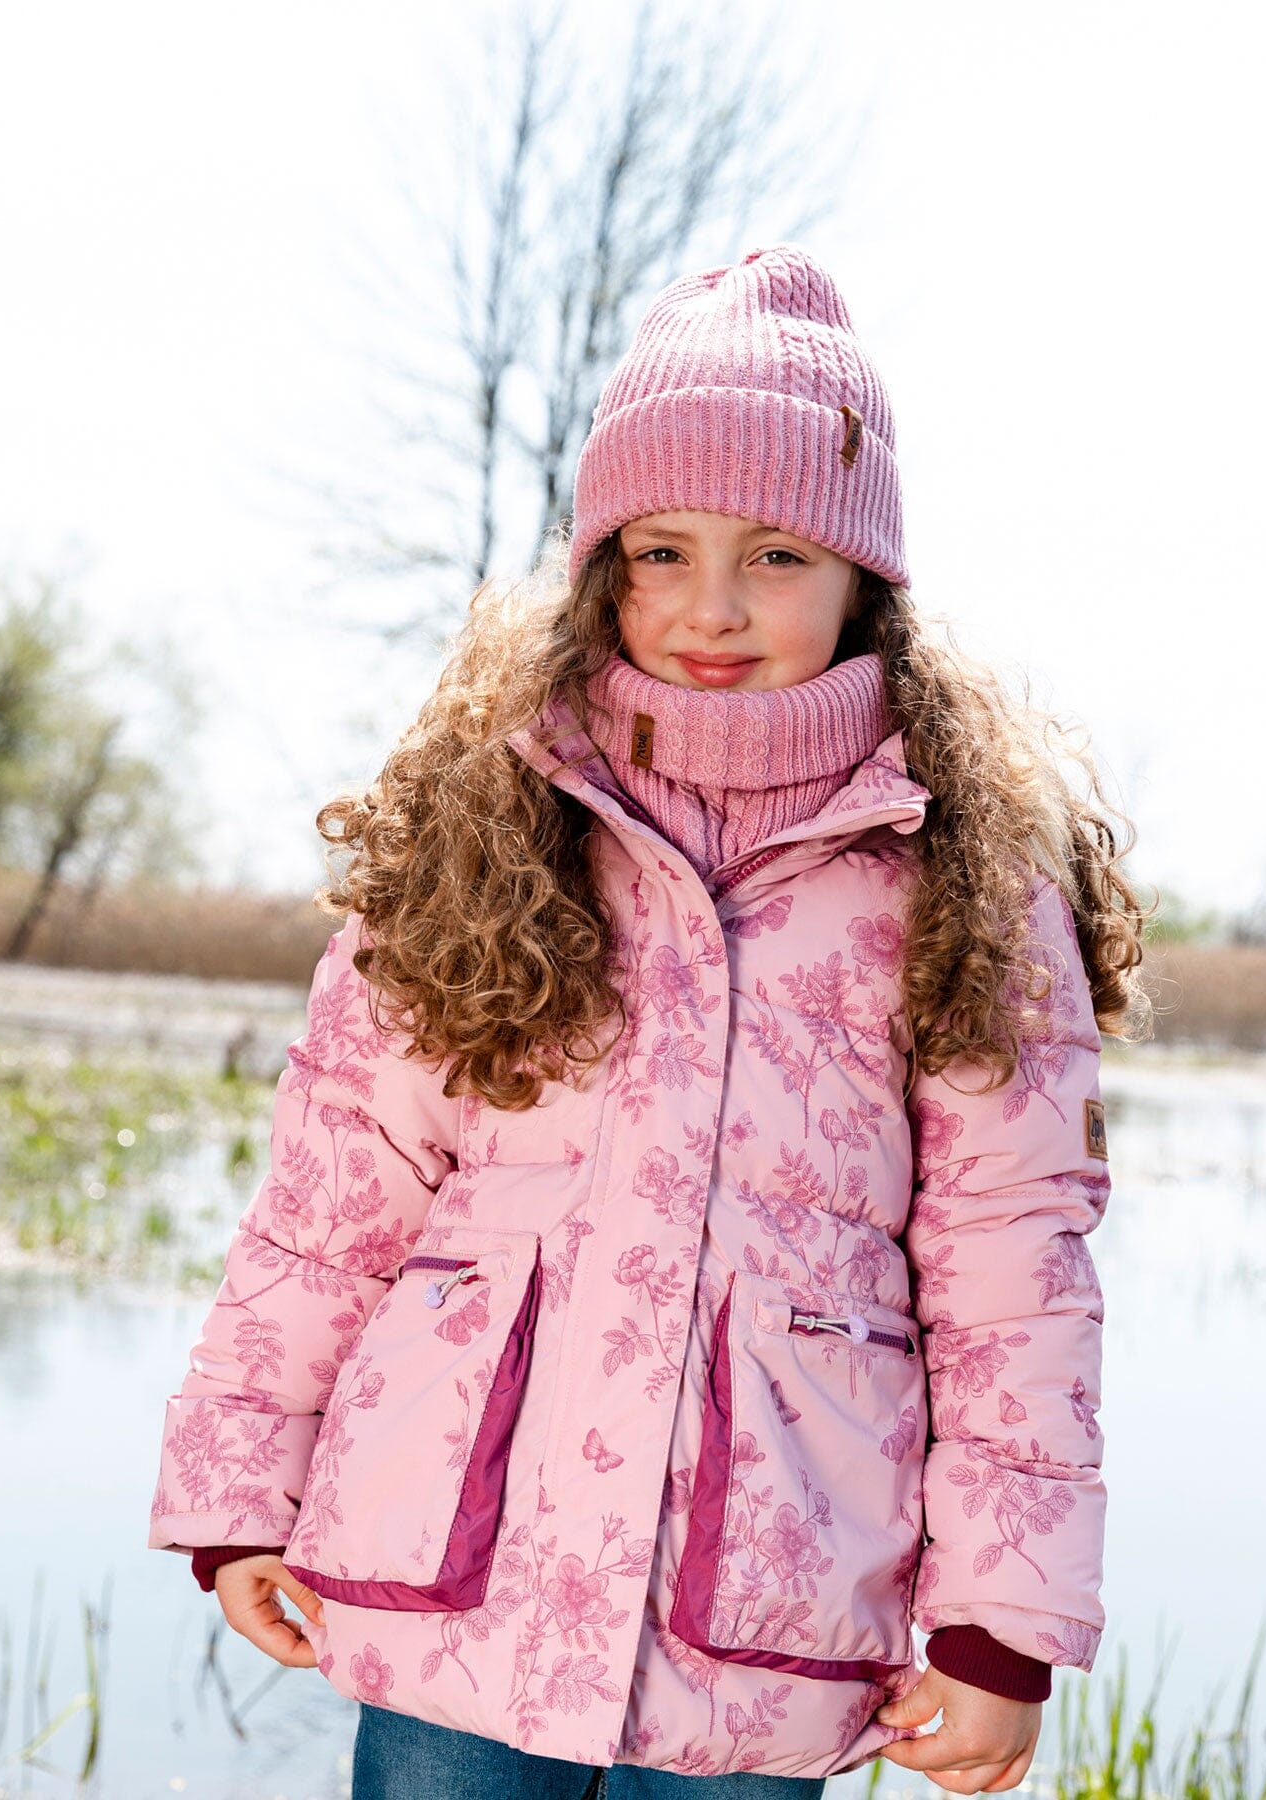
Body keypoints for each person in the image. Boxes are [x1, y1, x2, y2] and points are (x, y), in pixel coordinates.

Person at [148, 243, 1150, 1797]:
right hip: (458, 1588)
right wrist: (238, 1485)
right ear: (601, 562)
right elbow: (334, 1195)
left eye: (776, 558)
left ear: (862, 577)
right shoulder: (487, 819)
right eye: (662, 550)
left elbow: (1013, 1270)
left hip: (765, 1606)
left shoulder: (956, 871)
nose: (713, 608)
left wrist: (1001, 1621)